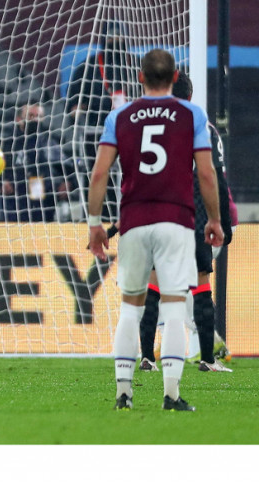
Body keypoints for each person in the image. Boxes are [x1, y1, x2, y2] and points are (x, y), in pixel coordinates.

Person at [87, 49, 223, 412]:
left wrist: (94, 224)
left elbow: (99, 174)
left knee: (130, 306)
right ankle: (172, 395)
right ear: (175, 76)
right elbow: (207, 174)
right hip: (176, 220)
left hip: (133, 221)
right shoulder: (192, 114)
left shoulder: (120, 116)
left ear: (140, 77)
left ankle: (123, 393)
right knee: (176, 304)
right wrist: (213, 219)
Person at [137, 72, 236, 373]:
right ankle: (207, 358)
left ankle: (146, 357)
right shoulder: (203, 127)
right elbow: (213, 177)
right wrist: (222, 224)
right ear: (190, 96)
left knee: (153, 284)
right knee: (200, 284)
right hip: (193, 216)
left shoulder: (149, 128)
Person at [65, 21, 137, 220]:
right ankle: (100, 218)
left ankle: (131, 215)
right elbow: (73, 103)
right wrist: (77, 111)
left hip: (133, 136)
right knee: (98, 177)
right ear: (104, 39)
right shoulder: (88, 68)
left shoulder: (137, 65)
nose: (116, 40)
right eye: (111, 37)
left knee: (131, 178)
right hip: (95, 136)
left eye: (119, 36)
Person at [0, 102, 71, 222]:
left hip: (43, 197)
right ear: (19, 119)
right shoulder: (8, 144)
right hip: (15, 198)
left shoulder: (50, 141)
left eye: (39, 116)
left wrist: (68, 182)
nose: (35, 120)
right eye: (31, 116)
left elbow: (67, 166)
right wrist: (1, 182)